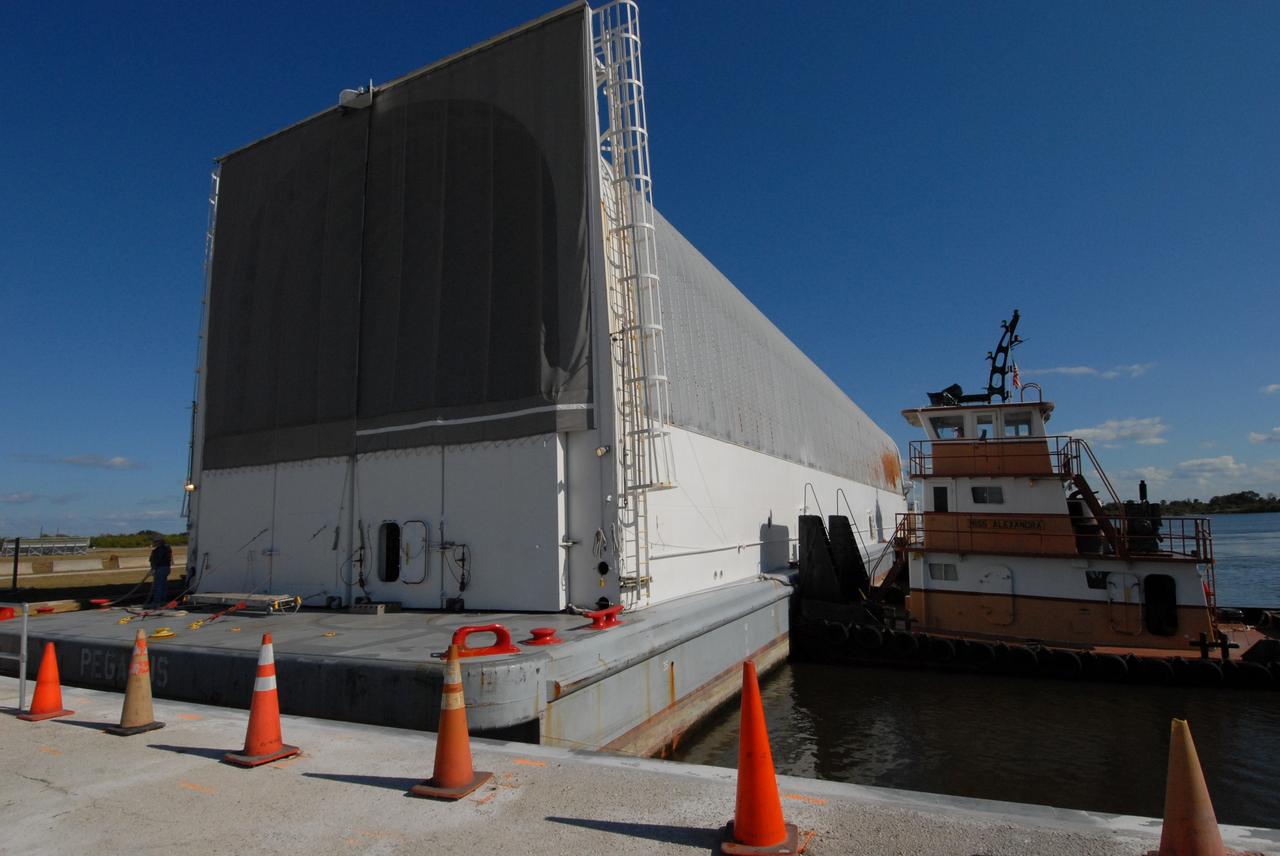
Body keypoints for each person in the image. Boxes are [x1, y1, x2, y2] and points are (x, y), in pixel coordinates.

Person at [149, 537, 173, 607]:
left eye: (155, 542)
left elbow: (157, 560)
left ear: (159, 542)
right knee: (163, 584)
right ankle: (162, 600)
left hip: (161, 568)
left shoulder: (160, 550)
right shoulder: (166, 549)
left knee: (158, 585)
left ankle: (157, 601)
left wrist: (153, 568)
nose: (154, 543)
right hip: (165, 568)